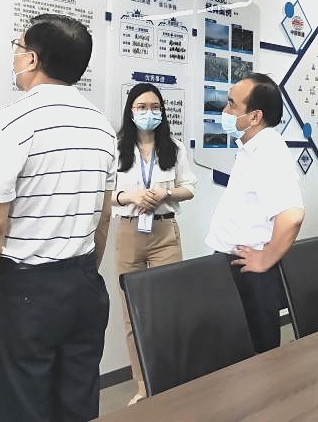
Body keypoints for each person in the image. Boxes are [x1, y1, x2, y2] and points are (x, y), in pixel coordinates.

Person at [0, 14, 117, 422]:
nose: (14, 56)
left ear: (31, 59)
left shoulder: (11, 122)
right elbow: (103, 218)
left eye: (18, 47)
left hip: (25, 294)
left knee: (22, 409)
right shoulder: (101, 127)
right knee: (78, 406)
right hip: (84, 285)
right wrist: (78, 276)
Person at [205, 73, 305, 353]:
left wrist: (265, 259)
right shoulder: (252, 147)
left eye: (232, 105)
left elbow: (292, 215)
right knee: (233, 352)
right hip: (235, 264)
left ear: (255, 116)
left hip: (249, 270)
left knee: (256, 359)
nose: (225, 111)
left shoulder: (267, 150)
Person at [113, 82, 197, 405]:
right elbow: (106, 196)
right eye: (141, 107)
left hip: (164, 233)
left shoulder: (173, 148)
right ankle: (143, 385)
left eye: (154, 107)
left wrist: (166, 193)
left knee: (168, 309)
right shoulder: (116, 147)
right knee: (132, 315)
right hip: (129, 233)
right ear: (130, 111)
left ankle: (170, 380)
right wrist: (129, 196)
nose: (148, 112)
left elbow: (189, 187)